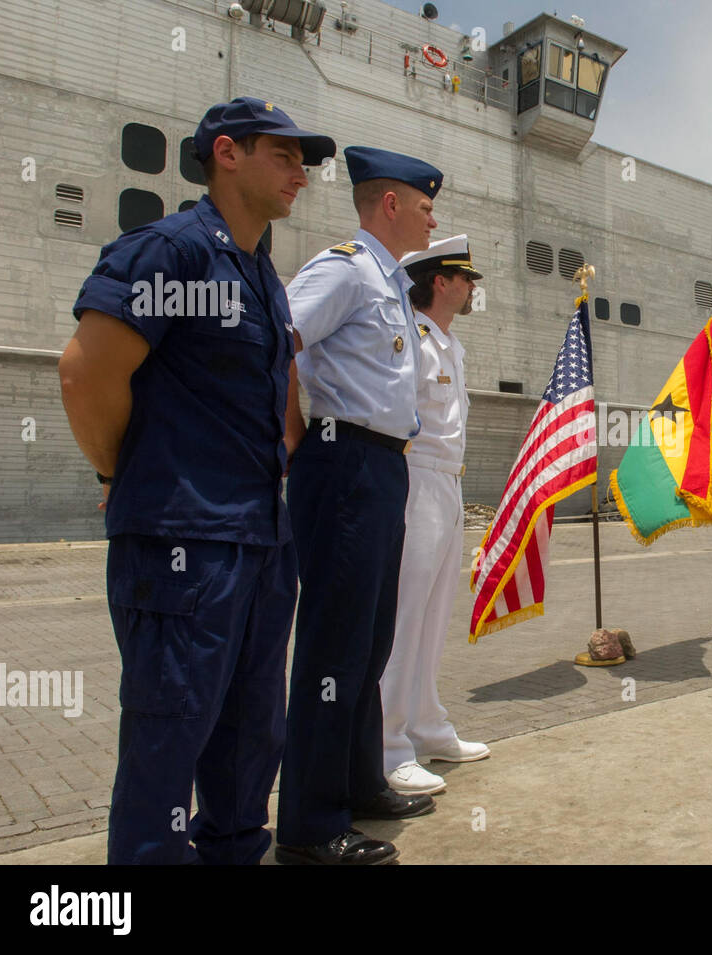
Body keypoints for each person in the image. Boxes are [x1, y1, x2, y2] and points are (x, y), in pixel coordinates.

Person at [59, 97, 334, 864]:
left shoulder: (263, 276)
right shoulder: (169, 251)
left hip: (258, 540)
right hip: (184, 542)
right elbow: (85, 375)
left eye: (304, 162)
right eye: (284, 155)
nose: (300, 175)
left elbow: (278, 398)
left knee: (252, 735)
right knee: (168, 735)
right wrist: (120, 473)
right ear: (227, 153)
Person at [275, 147, 443, 865]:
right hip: (343, 461)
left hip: (382, 465)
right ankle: (310, 827)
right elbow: (275, 339)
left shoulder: (391, 280)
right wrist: (294, 438)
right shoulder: (345, 267)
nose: (435, 213)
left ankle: (360, 781)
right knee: (332, 644)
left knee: (369, 638)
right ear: (391, 204)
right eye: (426, 201)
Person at [380, 235, 490, 796]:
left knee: (434, 613)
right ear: (440, 282)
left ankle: (426, 724)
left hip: (448, 483)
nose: (473, 288)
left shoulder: (450, 344)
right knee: (404, 616)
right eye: (465, 278)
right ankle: (388, 744)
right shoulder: (412, 340)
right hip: (415, 478)